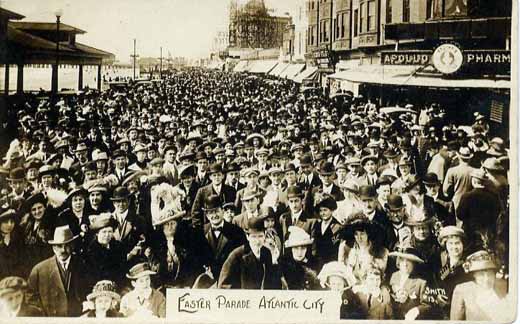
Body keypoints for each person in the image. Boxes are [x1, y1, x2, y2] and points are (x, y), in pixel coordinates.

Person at [27, 225, 88, 317]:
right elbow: (30, 299)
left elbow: (89, 293)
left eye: (67, 245)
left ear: (72, 246)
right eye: (59, 246)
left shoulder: (83, 267)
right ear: (53, 248)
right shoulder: (39, 270)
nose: (63, 250)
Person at [218, 217, 283, 289]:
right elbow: (223, 285)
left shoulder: (266, 252)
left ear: (265, 235)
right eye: (253, 237)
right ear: (247, 237)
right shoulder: (236, 255)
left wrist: (274, 262)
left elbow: (274, 284)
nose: (257, 241)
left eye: (260, 236)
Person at [450, 250, 509, 321]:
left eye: (490, 274)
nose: (486, 279)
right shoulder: (463, 290)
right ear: (473, 275)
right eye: (481, 275)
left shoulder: (504, 285)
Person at [339, 214, 388, 287]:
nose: (359, 238)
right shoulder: (346, 249)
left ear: (368, 234)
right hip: (351, 288)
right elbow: (342, 272)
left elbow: (379, 276)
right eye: (356, 234)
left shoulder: (380, 251)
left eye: (362, 234)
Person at [84, 214, 128, 289]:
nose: (107, 235)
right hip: (97, 290)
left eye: (110, 231)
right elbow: (89, 278)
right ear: (97, 233)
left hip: (117, 287)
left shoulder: (118, 248)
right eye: (104, 232)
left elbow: (122, 272)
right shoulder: (89, 251)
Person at [388, 245, 429, 320]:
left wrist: (416, 310)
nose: (405, 264)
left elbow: (427, 305)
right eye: (402, 260)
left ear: (414, 263)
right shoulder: (394, 276)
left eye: (409, 261)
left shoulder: (421, 282)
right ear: (398, 262)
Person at [0, 209, 23, 280]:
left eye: (12, 221)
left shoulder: (19, 239)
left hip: (16, 280)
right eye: (6, 222)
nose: (9, 225)